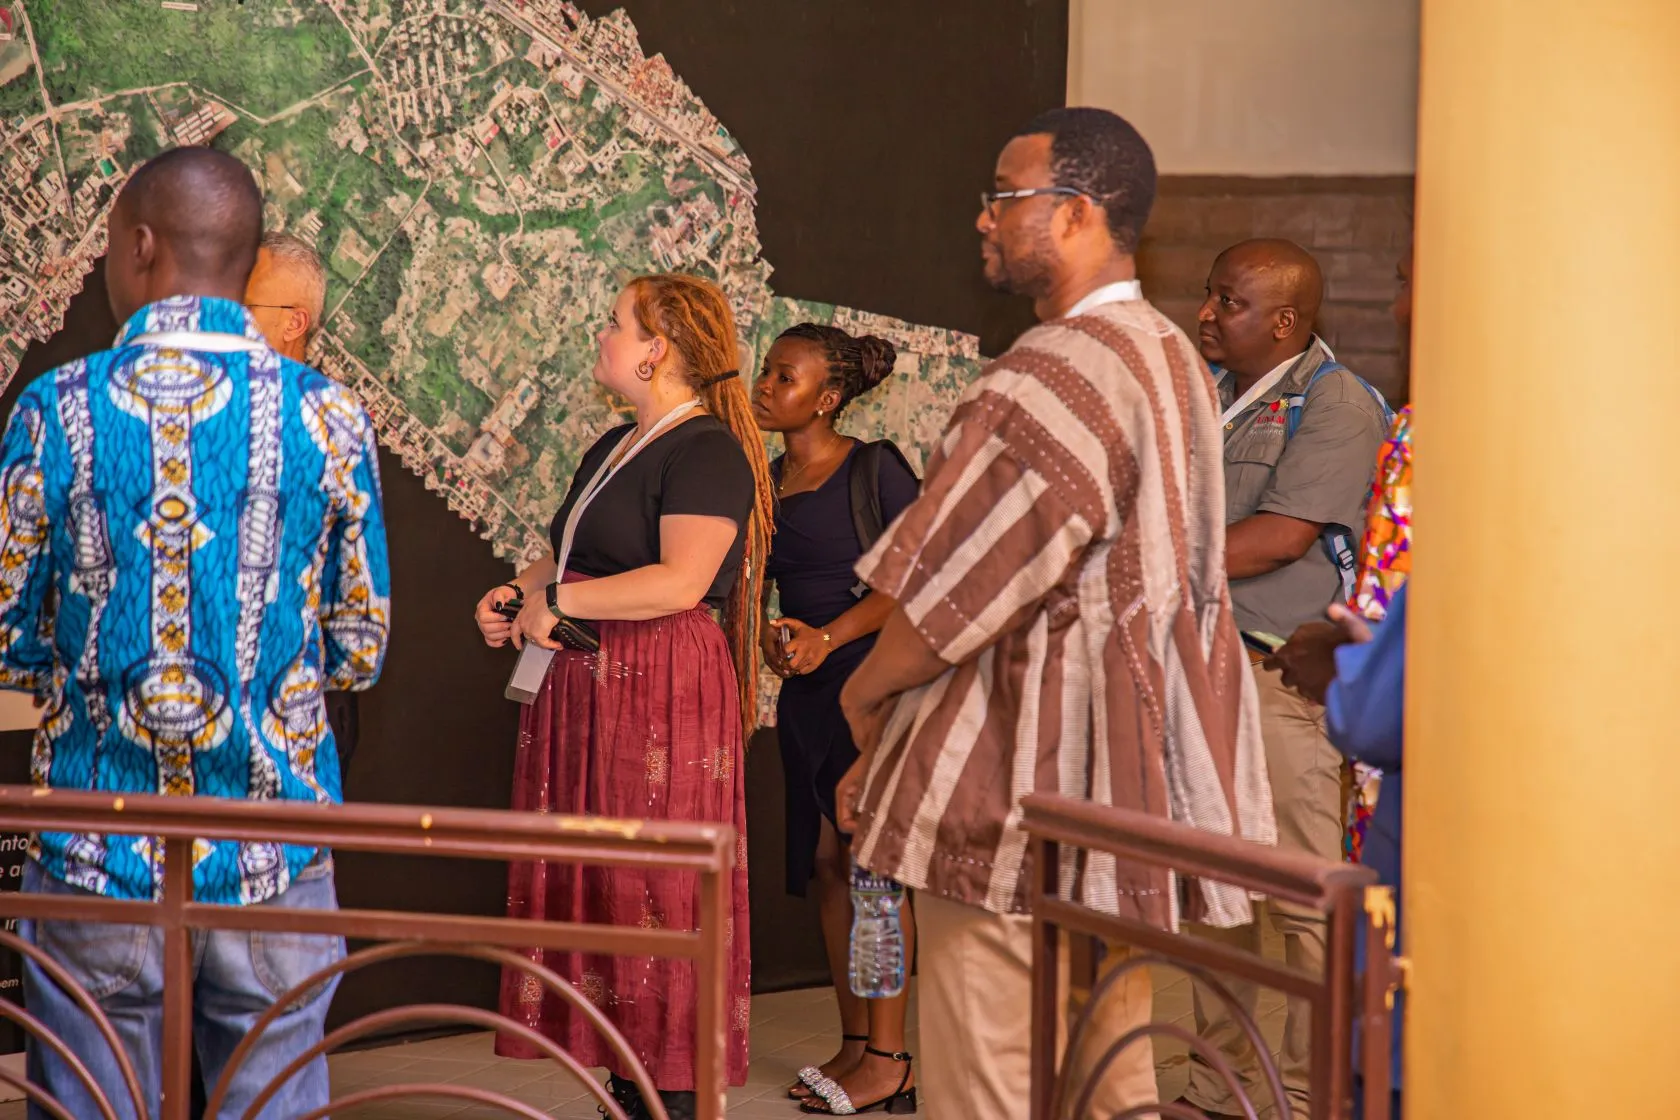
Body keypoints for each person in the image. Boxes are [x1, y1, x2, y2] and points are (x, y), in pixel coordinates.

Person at [833, 107, 1275, 1120]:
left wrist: (862, 692)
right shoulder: (1169, 357)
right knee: (1107, 1074)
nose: (983, 219)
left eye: (1005, 197)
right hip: (1118, 795)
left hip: (1013, 791)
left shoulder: (1052, 370)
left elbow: (952, 597)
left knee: (988, 1078)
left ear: (1077, 212)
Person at [0, 147, 390, 1119]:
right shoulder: (331, 418)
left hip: (96, 851)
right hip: (280, 844)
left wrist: (80, 679)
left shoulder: (55, 409)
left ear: (141, 246)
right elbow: (361, 645)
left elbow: (5, 631)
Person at [473, 274, 772, 1120]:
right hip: (591, 688)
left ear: (658, 350)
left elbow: (682, 581)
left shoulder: (706, 448)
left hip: (659, 692)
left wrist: (558, 604)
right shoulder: (616, 442)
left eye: (615, 325)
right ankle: (627, 1092)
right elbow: (572, 556)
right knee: (605, 883)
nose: (601, 337)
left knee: (656, 887)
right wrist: (518, 592)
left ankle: (669, 1099)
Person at [1175, 239, 1390, 1120]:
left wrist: (1147, 562)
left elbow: (1280, 537)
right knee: (1211, 891)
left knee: (1301, 898)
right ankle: (1211, 1084)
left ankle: (1308, 1093)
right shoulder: (1211, 396)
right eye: (1211, 296)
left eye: (1228, 301)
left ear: (1286, 321)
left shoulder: (1335, 402)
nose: (1206, 314)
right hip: (1202, 669)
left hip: (1278, 678)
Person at [752, 323, 921, 1115]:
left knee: (872, 870)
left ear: (827, 398)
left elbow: (921, 578)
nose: (764, 386)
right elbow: (757, 590)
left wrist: (829, 637)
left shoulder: (875, 468)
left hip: (870, 681)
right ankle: (854, 1043)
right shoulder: (761, 479)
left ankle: (891, 1058)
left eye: (783, 378)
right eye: (765, 371)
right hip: (808, 691)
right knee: (827, 868)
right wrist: (773, 637)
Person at [1273, 244, 1416, 1120]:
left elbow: (1374, 718)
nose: (1397, 307)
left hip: (1418, 797)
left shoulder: (1375, 413)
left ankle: (1301, 1088)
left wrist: (1352, 668)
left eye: (1407, 281)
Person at [243, 231, 361, 778]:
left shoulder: (332, 430)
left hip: (297, 718)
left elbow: (357, 605)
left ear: (295, 323)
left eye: (244, 306)